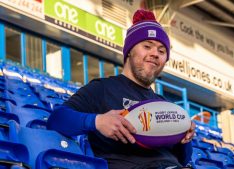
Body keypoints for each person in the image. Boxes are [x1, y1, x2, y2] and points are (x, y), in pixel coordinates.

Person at [47, 9, 195, 169]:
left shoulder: (165, 105)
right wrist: (96, 121)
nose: (155, 54)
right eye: (147, 46)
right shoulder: (102, 89)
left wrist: (185, 137)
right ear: (129, 51)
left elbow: (182, 159)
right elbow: (56, 119)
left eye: (161, 51)